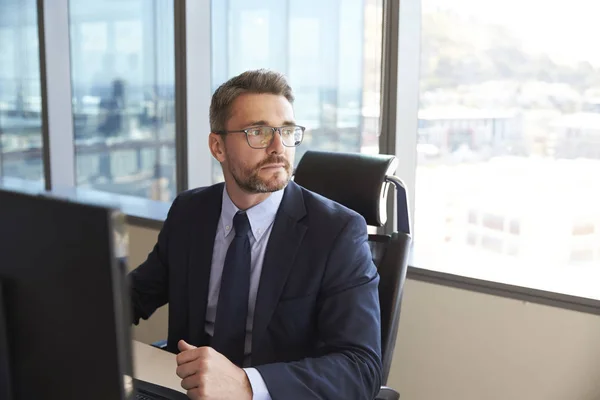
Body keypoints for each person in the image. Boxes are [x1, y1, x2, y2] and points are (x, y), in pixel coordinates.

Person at [129, 69, 382, 400]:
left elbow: (360, 367)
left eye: (287, 131)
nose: (279, 147)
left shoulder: (337, 233)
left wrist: (247, 384)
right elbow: (134, 294)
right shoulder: (190, 211)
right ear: (217, 146)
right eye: (259, 132)